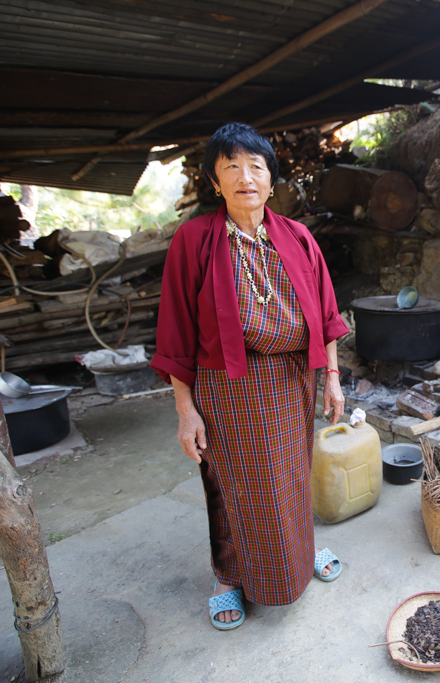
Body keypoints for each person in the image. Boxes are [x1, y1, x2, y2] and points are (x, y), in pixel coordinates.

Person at [151, 122, 350, 630]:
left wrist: (331, 376)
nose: (246, 176)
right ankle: (228, 576)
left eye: (256, 166)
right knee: (234, 484)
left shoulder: (298, 236)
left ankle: (298, 552)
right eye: (231, 167)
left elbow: (326, 313)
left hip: (291, 381)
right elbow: (175, 333)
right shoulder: (193, 240)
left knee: (290, 475)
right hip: (228, 387)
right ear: (215, 182)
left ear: (270, 177)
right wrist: (184, 409)